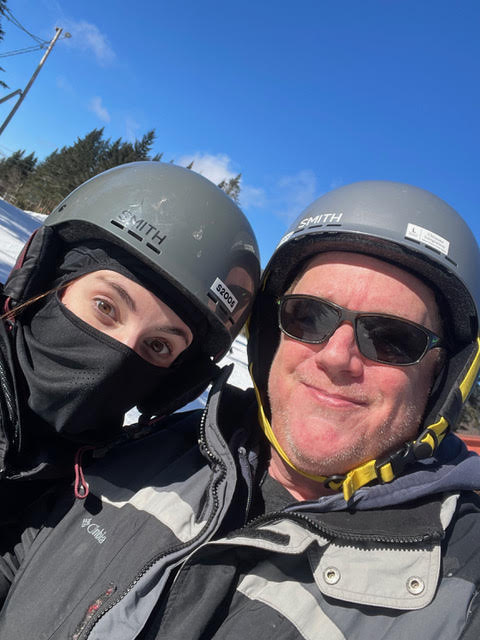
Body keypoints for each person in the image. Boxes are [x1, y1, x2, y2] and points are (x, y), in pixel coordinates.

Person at [1, 180, 479, 640]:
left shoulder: (462, 590)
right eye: (308, 316)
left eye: (393, 339)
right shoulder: (143, 451)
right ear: (272, 337)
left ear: (443, 377)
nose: (336, 356)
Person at [0, 160, 259, 594]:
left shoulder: (101, 493)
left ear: (173, 385)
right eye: (106, 306)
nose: (118, 353)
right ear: (42, 279)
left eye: (158, 345)